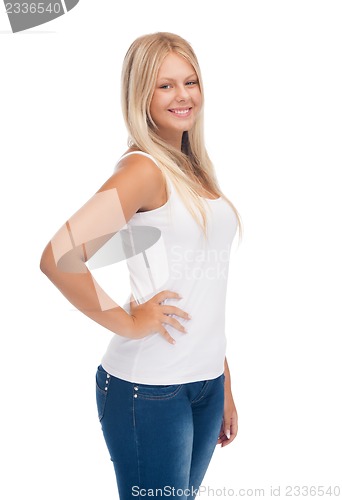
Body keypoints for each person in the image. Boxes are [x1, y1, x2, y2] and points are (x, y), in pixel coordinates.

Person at [40, 31, 241, 499]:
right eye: (165, 85)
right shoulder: (143, 170)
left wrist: (223, 380)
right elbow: (58, 257)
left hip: (204, 384)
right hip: (149, 390)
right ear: (140, 94)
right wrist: (128, 321)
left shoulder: (193, 169)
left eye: (190, 81)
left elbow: (197, 286)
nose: (184, 95)